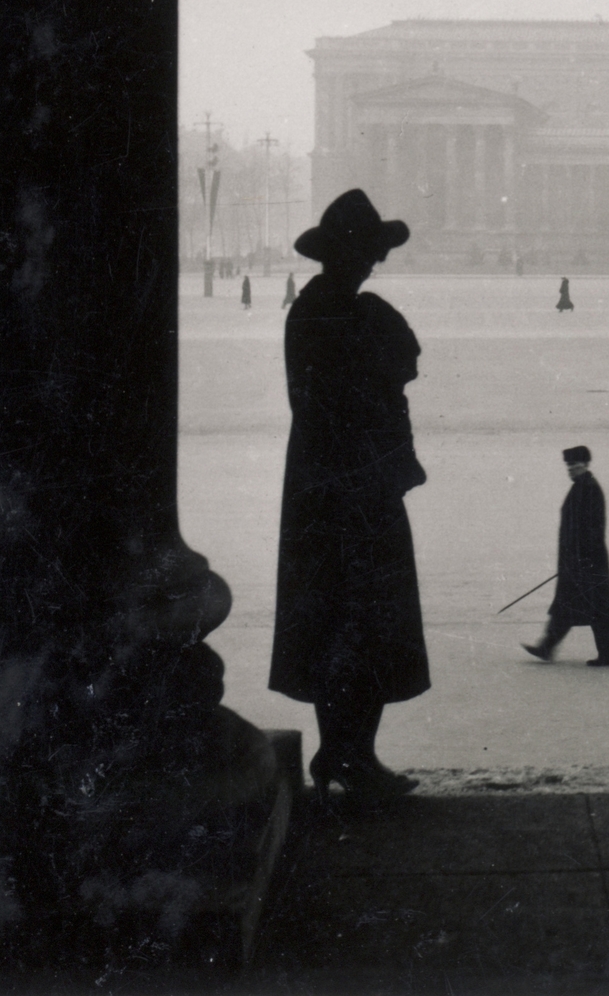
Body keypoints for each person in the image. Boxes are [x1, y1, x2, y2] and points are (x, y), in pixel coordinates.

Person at [269, 189, 426, 804]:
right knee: (360, 618)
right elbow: (385, 377)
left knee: (345, 619)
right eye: (368, 253)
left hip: (324, 485)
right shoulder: (343, 314)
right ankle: (348, 753)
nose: (373, 264)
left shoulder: (322, 310)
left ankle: (347, 750)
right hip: (352, 489)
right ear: (347, 254)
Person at [522, 445, 609, 667]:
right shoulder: (581, 486)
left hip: (587, 561)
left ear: (584, 465)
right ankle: (547, 647)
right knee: (569, 605)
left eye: (574, 465)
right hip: (579, 559)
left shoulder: (588, 488)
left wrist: (578, 559)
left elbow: (592, 529)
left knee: (594, 609)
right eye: (568, 465)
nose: (570, 469)